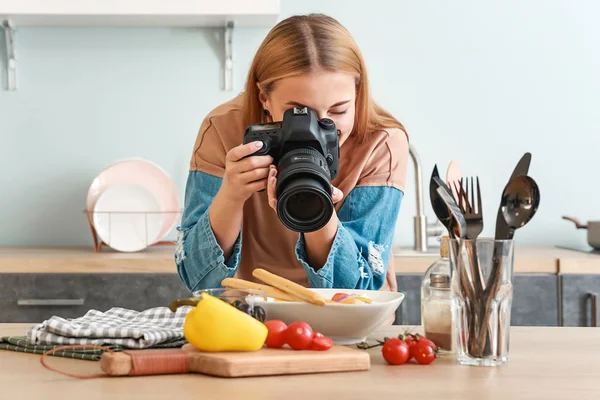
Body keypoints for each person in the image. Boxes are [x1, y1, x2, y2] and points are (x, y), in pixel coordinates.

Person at [175, 13, 409, 293]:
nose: (320, 130)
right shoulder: (224, 129)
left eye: (339, 110)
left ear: (358, 95)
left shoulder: (380, 142)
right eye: (299, 112)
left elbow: (362, 287)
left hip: (353, 321)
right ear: (264, 97)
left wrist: (319, 207)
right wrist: (231, 194)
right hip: (252, 316)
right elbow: (197, 278)